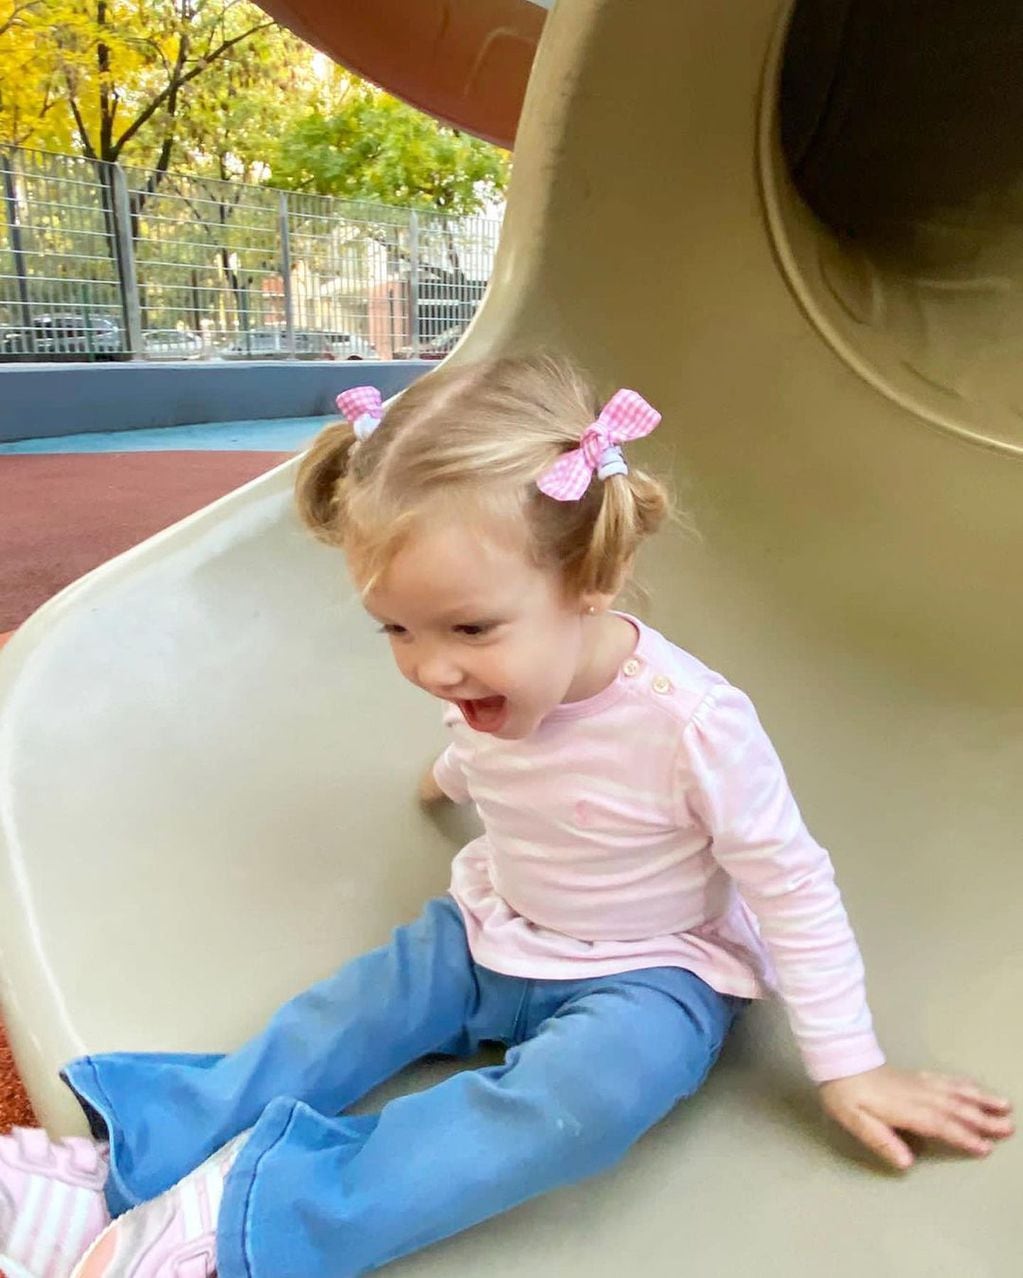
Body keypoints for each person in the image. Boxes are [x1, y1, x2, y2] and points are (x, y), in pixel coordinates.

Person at [0, 354, 1013, 1278]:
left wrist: (852, 1065)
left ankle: (247, 1215)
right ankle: (128, 1157)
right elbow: (494, 748)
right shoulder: (488, 680)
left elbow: (790, 881)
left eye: (469, 628)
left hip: (653, 972)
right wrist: (450, 773)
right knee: (343, 1016)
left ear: (590, 581)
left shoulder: (693, 725)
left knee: (581, 1104)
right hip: (495, 928)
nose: (431, 666)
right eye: (395, 628)